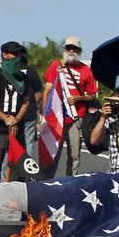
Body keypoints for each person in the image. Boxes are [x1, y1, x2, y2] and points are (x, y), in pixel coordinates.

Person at [43, 36, 97, 176]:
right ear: (64, 49)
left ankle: (70, 183)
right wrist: (44, 116)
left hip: (76, 118)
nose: (72, 50)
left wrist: (79, 98)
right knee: (52, 153)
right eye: (69, 48)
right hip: (56, 118)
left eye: (75, 48)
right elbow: (47, 91)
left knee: (74, 155)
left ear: (79, 51)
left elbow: (92, 95)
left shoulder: (85, 69)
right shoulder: (56, 65)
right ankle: (47, 183)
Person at [0, 44, 31, 183]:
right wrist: (5, 118)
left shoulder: (24, 78)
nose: (17, 57)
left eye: (19, 54)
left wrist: (16, 119)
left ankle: (16, 201)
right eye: (14, 53)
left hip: (17, 130)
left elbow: (26, 102)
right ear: (5, 55)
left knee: (19, 169)